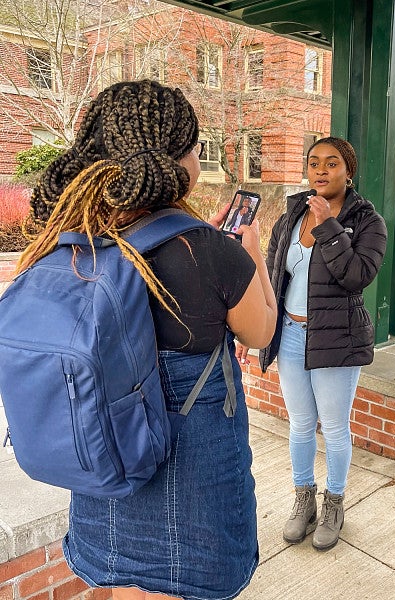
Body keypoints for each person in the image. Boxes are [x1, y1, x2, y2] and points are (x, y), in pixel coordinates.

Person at [17, 80, 277, 600]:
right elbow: (260, 331)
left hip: (106, 465)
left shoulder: (70, 244)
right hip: (195, 477)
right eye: (199, 150)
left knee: (124, 585)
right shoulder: (211, 250)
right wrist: (251, 255)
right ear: (181, 160)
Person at [236, 137, 387, 551]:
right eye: (314, 162)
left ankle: (334, 502)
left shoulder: (368, 221)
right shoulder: (291, 213)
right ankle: (303, 499)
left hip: (337, 337)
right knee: (301, 425)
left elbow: (357, 276)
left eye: (332, 163)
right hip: (290, 334)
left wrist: (328, 229)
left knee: (335, 427)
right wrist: (254, 325)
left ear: (348, 171)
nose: (321, 170)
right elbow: (271, 272)